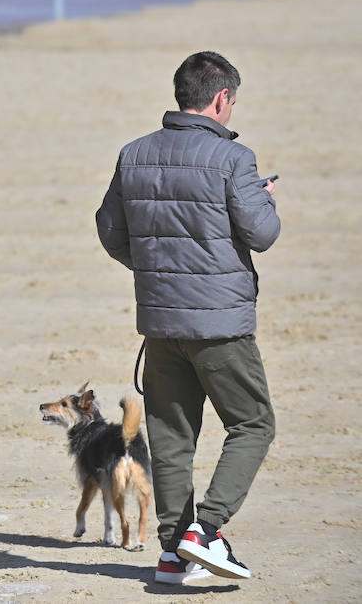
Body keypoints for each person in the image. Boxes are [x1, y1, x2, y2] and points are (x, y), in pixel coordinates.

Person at [95, 51, 280, 585]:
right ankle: (207, 531)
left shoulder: (134, 154)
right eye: (233, 102)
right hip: (219, 326)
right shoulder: (233, 159)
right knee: (254, 423)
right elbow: (262, 234)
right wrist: (265, 200)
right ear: (221, 99)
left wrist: (156, 267)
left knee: (172, 436)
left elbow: (110, 230)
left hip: (160, 323)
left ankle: (174, 555)